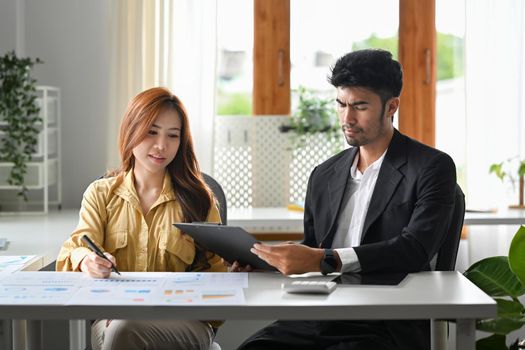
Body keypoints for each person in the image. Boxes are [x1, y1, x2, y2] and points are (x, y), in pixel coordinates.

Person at [237, 49, 457, 350]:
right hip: (319, 313)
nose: (347, 117)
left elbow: (415, 249)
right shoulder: (324, 174)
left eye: (360, 106)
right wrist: (268, 262)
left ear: (392, 106)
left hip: (385, 321)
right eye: (340, 104)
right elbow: (313, 246)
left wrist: (326, 259)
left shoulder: (432, 167)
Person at [56, 87, 224, 350]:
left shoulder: (199, 200)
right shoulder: (100, 194)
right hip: (113, 319)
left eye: (173, 136)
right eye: (151, 132)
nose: (161, 146)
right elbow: (72, 250)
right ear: (131, 130)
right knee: (123, 329)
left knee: (127, 329)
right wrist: (87, 260)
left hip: (185, 322)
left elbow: (218, 275)